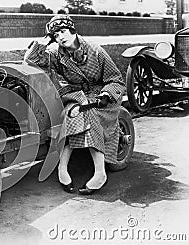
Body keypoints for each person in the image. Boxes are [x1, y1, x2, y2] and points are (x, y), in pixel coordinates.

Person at [24, 14, 126, 195]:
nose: (60, 37)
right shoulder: (56, 53)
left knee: (89, 114)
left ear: (73, 30)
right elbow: (31, 59)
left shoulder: (96, 51)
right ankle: (62, 169)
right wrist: (45, 40)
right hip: (75, 95)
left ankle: (100, 172)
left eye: (63, 32)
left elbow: (116, 80)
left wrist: (106, 94)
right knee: (72, 113)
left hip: (102, 97)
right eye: (56, 35)